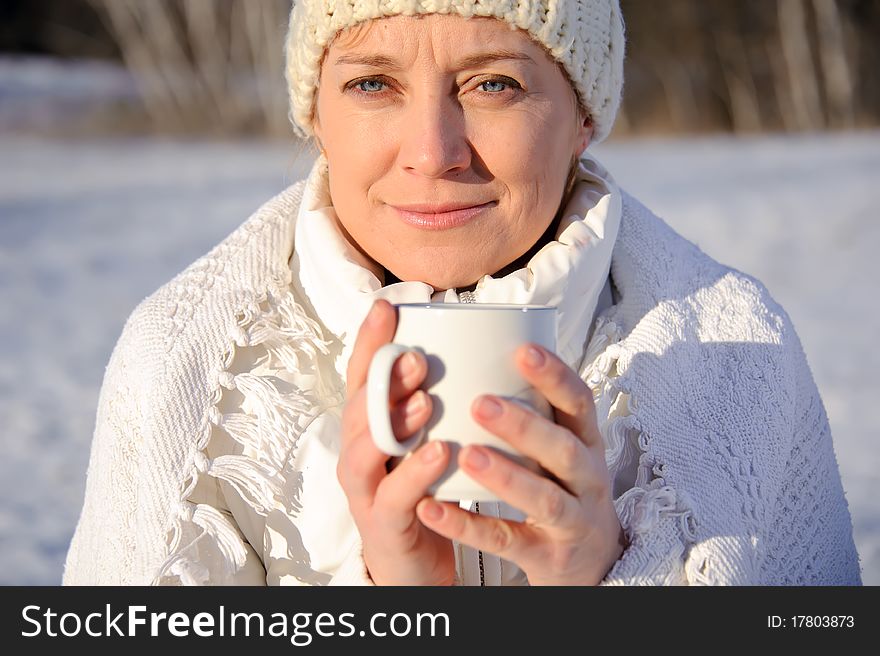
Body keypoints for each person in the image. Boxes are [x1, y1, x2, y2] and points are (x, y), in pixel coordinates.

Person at [63, 0, 861, 586]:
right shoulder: (182, 365)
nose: (433, 151)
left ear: (582, 114)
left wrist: (592, 590)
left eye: (494, 86)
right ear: (315, 115)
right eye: (374, 85)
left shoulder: (737, 356)